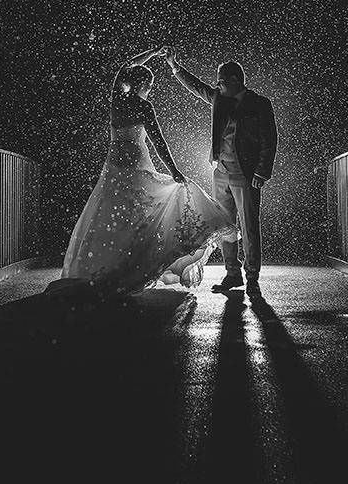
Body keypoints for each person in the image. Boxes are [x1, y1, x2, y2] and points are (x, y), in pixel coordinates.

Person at [51, 45, 239, 299]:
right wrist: (174, 171)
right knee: (141, 219)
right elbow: (159, 143)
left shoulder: (117, 100)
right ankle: (132, 269)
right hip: (137, 168)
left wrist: (152, 52)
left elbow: (125, 66)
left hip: (114, 170)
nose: (150, 90)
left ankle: (104, 268)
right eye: (150, 86)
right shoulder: (144, 107)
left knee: (111, 220)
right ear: (145, 85)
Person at [163, 48, 278, 297]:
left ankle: (252, 277)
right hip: (221, 174)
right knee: (226, 226)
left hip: (246, 175)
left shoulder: (259, 104)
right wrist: (175, 67)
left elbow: (270, 140)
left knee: (249, 226)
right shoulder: (219, 98)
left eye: (221, 82)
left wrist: (261, 172)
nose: (217, 86)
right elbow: (196, 86)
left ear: (235, 81)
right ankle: (232, 273)